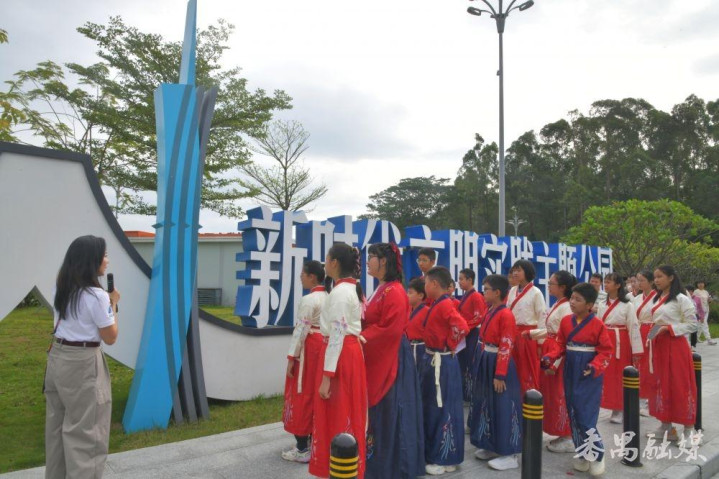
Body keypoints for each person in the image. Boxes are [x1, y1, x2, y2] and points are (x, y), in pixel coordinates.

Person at [45, 235, 120, 479]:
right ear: (91, 260)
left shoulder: (61, 287)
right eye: (104, 255)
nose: (107, 260)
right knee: (87, 434)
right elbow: (110, 337)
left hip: (57, 358)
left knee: (56, 429)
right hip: (83, 362)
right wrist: (113, 304)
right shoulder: (97, 296)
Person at [362, 243, 424, 478]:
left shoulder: (394, 291)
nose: (368, 261)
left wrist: (361, 337)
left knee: (392, 408)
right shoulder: (382, 288)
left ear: (384, 261)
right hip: (383, 352)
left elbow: (390, 329)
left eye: (372, 257)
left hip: (392, 357)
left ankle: (394, 466)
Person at [541, 283, 613, 476]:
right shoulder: (566, 321)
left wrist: (594, 366)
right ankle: (583, 453)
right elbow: (560, 345)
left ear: (589, 305)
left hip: (587, 372)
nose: (572, 302)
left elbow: (606, 351)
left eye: (578, 299)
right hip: (570, 369)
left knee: (585, 415)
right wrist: (550, 357)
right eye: (572, 298)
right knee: (572, 412)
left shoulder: (598, 325)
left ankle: (597, 455)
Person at [309, 244, 367, 478]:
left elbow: (337, 335)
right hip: (346, 353)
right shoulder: (347, 289)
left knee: (338, 411)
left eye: (327, 258)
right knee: (346, 409)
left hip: (340, 355)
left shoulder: (341, 293)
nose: (325, 263)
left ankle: (340, 467)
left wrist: (326, 377)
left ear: (334, 263)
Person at [468, 274, 522, 471]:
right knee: (486, 404)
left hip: (498, 363)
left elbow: (506, 344)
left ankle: (510, 453)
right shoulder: (491, 310)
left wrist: (500, 374)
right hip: (487, 359)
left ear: (497, 292)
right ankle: (491, 444)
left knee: (503, 406)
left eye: (486, 289)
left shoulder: (505, 314)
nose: (483, 293)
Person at [418, 266, 469, 476]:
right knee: (439, 407)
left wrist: (449, 344)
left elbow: (462, 327)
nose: (424, 287)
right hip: (438, 359)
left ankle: (443, 457)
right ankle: (445, 456)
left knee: (442, 408)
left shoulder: (445, 304)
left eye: (426, 283)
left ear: (434, 284)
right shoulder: (438, 303)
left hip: (442, 361)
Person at [282, 260, 330, 463]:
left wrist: (291, 357)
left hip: (309, 350)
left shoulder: (309, 299)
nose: (300, 276)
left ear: (312, 277)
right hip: (324, 347)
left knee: (302, 393)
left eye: (303, 273)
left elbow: (301, 329)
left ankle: (302, 447)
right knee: (315, 393)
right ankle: (312, 441)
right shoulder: (329, 296)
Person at [646, 265, 699, 441]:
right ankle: (666, 426)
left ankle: (689, 429)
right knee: (661, 384)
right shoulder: (657, 297)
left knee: (680, 385)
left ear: (671, 278)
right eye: (655, 277)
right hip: (659, 346)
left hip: (676, 346)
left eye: (660, 276)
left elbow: (693, 324)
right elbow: (656, 322)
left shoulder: (682, 298)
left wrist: (668, 328)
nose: (656, 280)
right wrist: (652, 334)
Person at [534, 271, 576, 453]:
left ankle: (568, 435)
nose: (548, 286)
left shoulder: (567, 307)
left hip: (557, 353)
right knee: (551, 392)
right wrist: (532, 335)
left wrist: (556, 361)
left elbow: (565, 336)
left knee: (560, 392)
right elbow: (550, 330)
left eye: (551, 283)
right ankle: (559, 430)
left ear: (562, 287)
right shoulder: (558, 304)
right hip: (550, 350)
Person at [597, 273, 643, 424]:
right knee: (607, 376)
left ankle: (620, 409)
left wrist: (636, 350)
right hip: (605, 341)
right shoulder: (602, 304)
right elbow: (598, 325)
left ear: (617, 285)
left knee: (619, 376)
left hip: (621, 342)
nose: (605, 284)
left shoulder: (627, 305)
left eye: (608, 282)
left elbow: (633, 326)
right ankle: (611, 406)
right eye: (605, 282)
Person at [507, 260, 544, 396]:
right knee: (514, 368)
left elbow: (542, 317)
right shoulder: (512, 290)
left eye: (519, 270)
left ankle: (529, 399)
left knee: (528, 369)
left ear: (527, 272)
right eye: (514, 270)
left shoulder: (536, 292)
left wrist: (540, 343)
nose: (515, 273)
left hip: (529, 336)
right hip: (513, 334)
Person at [456, 268, 487, 402]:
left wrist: (464, 328)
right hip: (466, 333)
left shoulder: (476, 296)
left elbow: (479, 317)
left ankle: (471, 394)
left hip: (472, 333)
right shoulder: (466, 295)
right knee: (463, 362)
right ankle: (465, 393)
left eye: (461, 279)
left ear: (470, 280)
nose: (459, 282)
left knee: (470, 362)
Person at [632, 270, 657, 416]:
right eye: (638, 280)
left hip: (652, 334)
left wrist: (652, 336)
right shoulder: (636, 299)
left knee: (650, 366)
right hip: (638, 332)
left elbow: (661, 320)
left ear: (651, 282)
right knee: (638, 365)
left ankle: (649, 401)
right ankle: (639, 398)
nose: (639, 283)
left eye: (642, 280)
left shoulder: (659, 298)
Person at [406, 278, 428, 367]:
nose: (407, 295)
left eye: (410, 293)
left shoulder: (427, 312)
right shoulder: (408, 310)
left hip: (421, 349)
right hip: (409, 347)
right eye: (407, 292)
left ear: (420, 295)